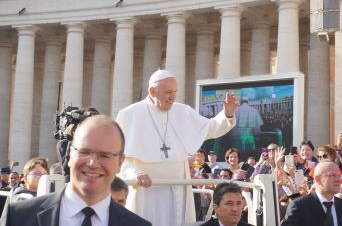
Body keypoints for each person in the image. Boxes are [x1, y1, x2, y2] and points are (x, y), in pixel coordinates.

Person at [116, 69, 238, 226]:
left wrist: (227, 114)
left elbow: (210, 128)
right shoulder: (129, 114)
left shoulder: (183, 112)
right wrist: (135, 174)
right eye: (168, 92)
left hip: (178, 189)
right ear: (152, 91)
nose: (172, 97)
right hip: (146, 191)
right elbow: (117, 156)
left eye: (174, 92)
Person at [0, 115, 151, 226]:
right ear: (70, 155)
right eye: (84, 152)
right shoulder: (18, 217)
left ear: (120, 162)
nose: (92, 163)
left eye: (105, 155)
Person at [281, 160, 342, 226]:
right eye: (332, 175)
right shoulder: (299, 206)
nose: (338, 179)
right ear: (318, 179)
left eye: (339, 175)